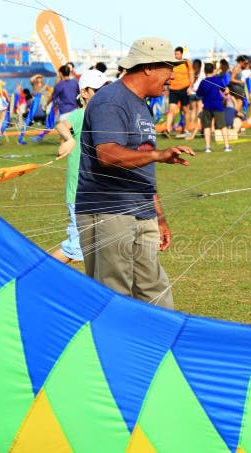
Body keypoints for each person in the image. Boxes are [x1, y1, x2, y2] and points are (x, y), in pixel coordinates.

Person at [75, 37, 196, 309]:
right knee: (113, 290)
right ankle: (112, 350)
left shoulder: (141, 104)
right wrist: (158, 154)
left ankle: (164, 347)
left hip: (141, 211)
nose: (172, 77)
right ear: (148, 67)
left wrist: (159, 217)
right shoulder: (111, 101)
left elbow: (141, 166)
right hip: (109, 209)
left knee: (154, 288)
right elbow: (108, 155)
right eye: (169, 68)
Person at [52, 69, 112, 264]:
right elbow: (61, 125)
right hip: (80, 194)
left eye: (105, 89)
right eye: (98, 90)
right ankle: (38, 271)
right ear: (84, 93)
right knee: (76, 249)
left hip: (99, 193)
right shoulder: (81, 115)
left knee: (99, 245)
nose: (103, 94)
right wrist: (69, 139)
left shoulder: (105, 116)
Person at [196, 62, 232, 153]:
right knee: (222, 126)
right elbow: (224, 90)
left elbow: (199, 94)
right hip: (217, 105)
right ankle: (227, 146)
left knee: (207, 126)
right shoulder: (218, 80)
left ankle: (207, 147)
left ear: (204, 71)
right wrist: (226, 90)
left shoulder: (203, 82)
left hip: (207, 105)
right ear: (213, 70)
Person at [164, 47, 194, 137]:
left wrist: (190, 87)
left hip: (184, 88)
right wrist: (166, 88)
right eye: (175, 54)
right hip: (173, 89)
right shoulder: (172, 63)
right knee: (171, 110)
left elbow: (191, 75)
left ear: (181, 54)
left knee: (185, 110)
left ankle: (186, 129)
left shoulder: (187, 62)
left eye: (177, 54)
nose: (176, 56)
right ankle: (168, 129)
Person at [186, 58, 204, 140]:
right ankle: (197, 126)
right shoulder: (202, 74)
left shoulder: (192, 73)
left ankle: (192, 125)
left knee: (193, 110)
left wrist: (191, 90)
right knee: (199, 111)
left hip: (192, 94)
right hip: (199, 93)